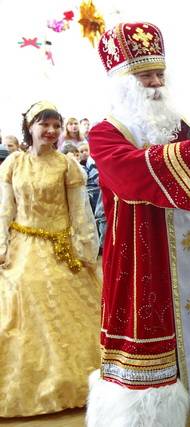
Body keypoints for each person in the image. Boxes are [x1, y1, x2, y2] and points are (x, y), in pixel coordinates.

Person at [85, 22, 190, 427]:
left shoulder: (179, 129)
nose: (157, 83)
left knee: (188, 345)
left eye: (160, 73)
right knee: (145, 362)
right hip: (138, 268)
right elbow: (131, 174)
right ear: (122, 81)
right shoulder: (105, 134)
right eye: (146, 75)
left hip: (186, 264)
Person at [0, 101, 101, 417]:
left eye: (56, 125)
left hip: (60, 248)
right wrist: (1, 247)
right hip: (22, 247)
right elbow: (5, 209)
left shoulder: (67, 165)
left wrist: (86, 251)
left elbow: (81, 213)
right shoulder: (14, 163)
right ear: (30, 127)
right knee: (19, 296)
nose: (52, 131)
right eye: (45, 124)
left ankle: (77, 384)